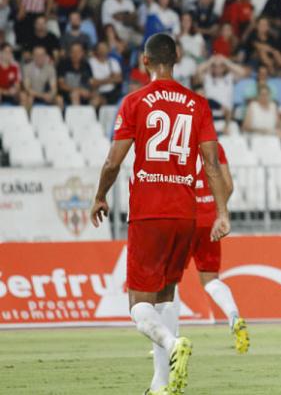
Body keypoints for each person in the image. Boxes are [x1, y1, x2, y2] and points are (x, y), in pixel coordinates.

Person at [90, 33, 231, 395]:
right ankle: (161, 384)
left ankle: (172, 345)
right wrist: (221, 211)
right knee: (167, 295)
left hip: (149, 212)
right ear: (177, 59)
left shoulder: (135, 101)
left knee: (139, 304)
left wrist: (100, 196)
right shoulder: (198, 104)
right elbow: (212, 164)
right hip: (185, 214)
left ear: (144, 61)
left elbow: (113, 161)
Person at [183, 141, 249, 354]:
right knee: (211, 280)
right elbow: (228, 185)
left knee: (168, 282)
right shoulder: (216, 147)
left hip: (182, 219)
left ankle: (168, 341)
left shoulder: (176, 142)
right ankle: (234, 318)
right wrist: (215, 209)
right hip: (209, 220)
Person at [20, 45, 58, 110]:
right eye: (37, 55)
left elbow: (54, 87)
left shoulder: (50, 68)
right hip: (33, 95)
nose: (39, 57)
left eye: (42, 55)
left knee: (59, 100)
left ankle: (57, 119)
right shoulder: (27, 68)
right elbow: (27, 88)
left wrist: (51, 94)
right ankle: (28, 119)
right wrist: (43, 96)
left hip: (46, 94)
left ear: (46, 56)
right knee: (28, 98)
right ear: (33, 56)